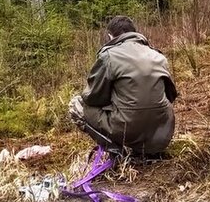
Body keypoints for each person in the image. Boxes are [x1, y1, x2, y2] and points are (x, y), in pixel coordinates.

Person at [69, 16, 178, 157]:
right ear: (134, 32)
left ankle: (115, 150)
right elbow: (171, 96)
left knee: (76, 105)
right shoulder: (158, 56)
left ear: (110, 36)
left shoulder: (109, 56)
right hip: (163, 131)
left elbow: (93, 98)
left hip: (128, 129)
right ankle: (149, 150)